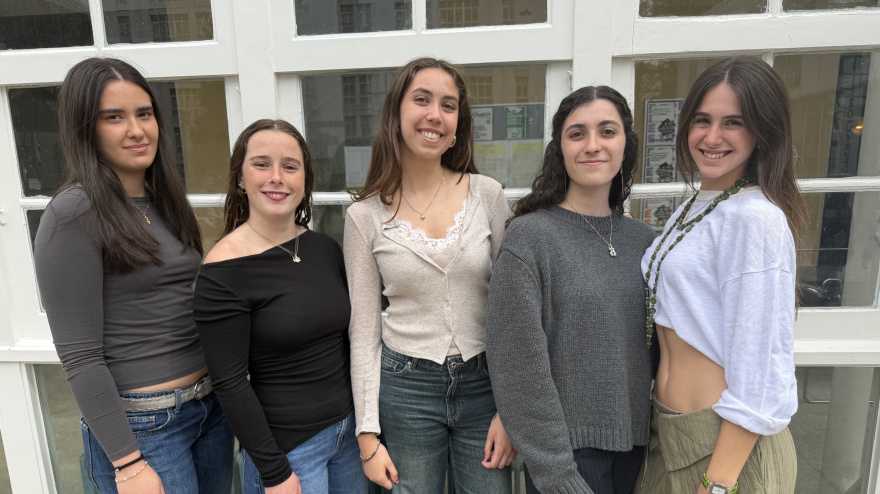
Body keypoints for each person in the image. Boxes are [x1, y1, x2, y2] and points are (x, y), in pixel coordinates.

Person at [34, 57, 233, 494]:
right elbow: (80, 357)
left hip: (208, 409)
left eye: (144, 113)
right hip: (145, 427)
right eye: (114, 117)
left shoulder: (160, 199)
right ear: (86, 127)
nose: (137, 130)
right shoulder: (73, 212)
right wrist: (127, 463)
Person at [344, 57, 516, 493]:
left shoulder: (488, 195)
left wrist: (511, 409)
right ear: (396, 113)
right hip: (405, 391)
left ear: (458, 123)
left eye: (448, 105)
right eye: (421, 100)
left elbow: (515, 309)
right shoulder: (363, 217)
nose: (435, 115)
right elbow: (364, 330)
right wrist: (367, 435)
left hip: (485, 388)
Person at [637, 56, 805, 494]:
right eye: (702, 120)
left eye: (733, 122)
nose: (712, 137)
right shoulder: (701, 206)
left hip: (722, 448)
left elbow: (761, 361)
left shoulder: (754, 218)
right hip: (670, 432)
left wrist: (720, 482)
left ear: (763, 131)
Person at [486, 86, 655, 494]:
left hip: (638, 448)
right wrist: (557, 474)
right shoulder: (531, 237)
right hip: (567, 457)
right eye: (577, 133)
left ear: (625, 146)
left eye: (607, 131)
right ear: (559, 148)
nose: (592, 145)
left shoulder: (644, 241)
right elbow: (517, 366)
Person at [193, 119, 362, 494]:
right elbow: (230, 383)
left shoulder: (325, 248)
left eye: (290, 166)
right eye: (261, 164)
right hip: (289, 452)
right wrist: (274, 473)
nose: (277, 177)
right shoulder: (223, 270)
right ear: (240, 178)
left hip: (347, 437)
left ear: (305, 180)